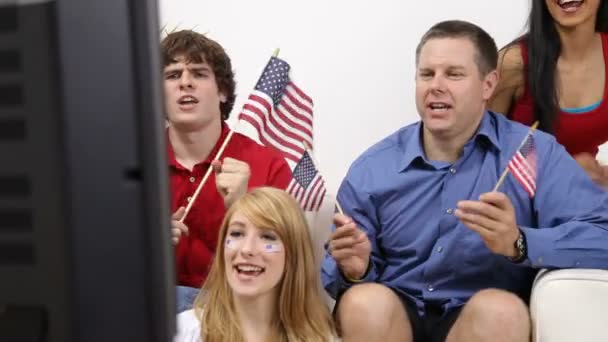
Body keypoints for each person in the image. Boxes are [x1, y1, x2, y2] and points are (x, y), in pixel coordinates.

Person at [321, 20, 608, 342]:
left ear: (488, 85)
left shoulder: (532, 153)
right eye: (427, 74)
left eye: (454, 74)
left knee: (499, 310)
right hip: (395, 316)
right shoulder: (374, 167)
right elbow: (337, 273)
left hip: (480, 319)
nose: (436, 86)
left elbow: (603, 234)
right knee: (363, 301)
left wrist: (520, 242)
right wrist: (356, 270)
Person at [161, 30, 293, 312]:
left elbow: (288, 264)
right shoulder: (132, 164)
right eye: (173, 75)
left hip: (237, 307)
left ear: (222, 91)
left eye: (198, 73)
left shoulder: (268, 164)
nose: (185, 83)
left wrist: (243, 208)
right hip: (151, 307)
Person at [174, 187, 337, 342]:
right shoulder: (184, 331)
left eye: (267, 237)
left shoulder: (323, 338)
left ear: (293, 255)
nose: (247, 249)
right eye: (237, 233)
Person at [489, 0, 608, 186]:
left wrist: (600, 175)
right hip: (516, 202)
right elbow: (477, 156)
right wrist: (565, 171)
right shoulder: (513, 64)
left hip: (585, 203)